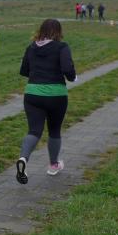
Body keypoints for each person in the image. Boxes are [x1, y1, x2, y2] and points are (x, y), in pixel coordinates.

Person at [15, 19, 76, 184]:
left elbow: (24, 70)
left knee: (34, 131)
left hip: (32, 94)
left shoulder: (31, 47)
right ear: (58, 32)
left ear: (41, 30)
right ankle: (53, 165)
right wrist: (72, 77)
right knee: (54, 130)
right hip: (56, 95)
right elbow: (67, 69)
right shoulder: (62, 47)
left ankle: (23, 158)